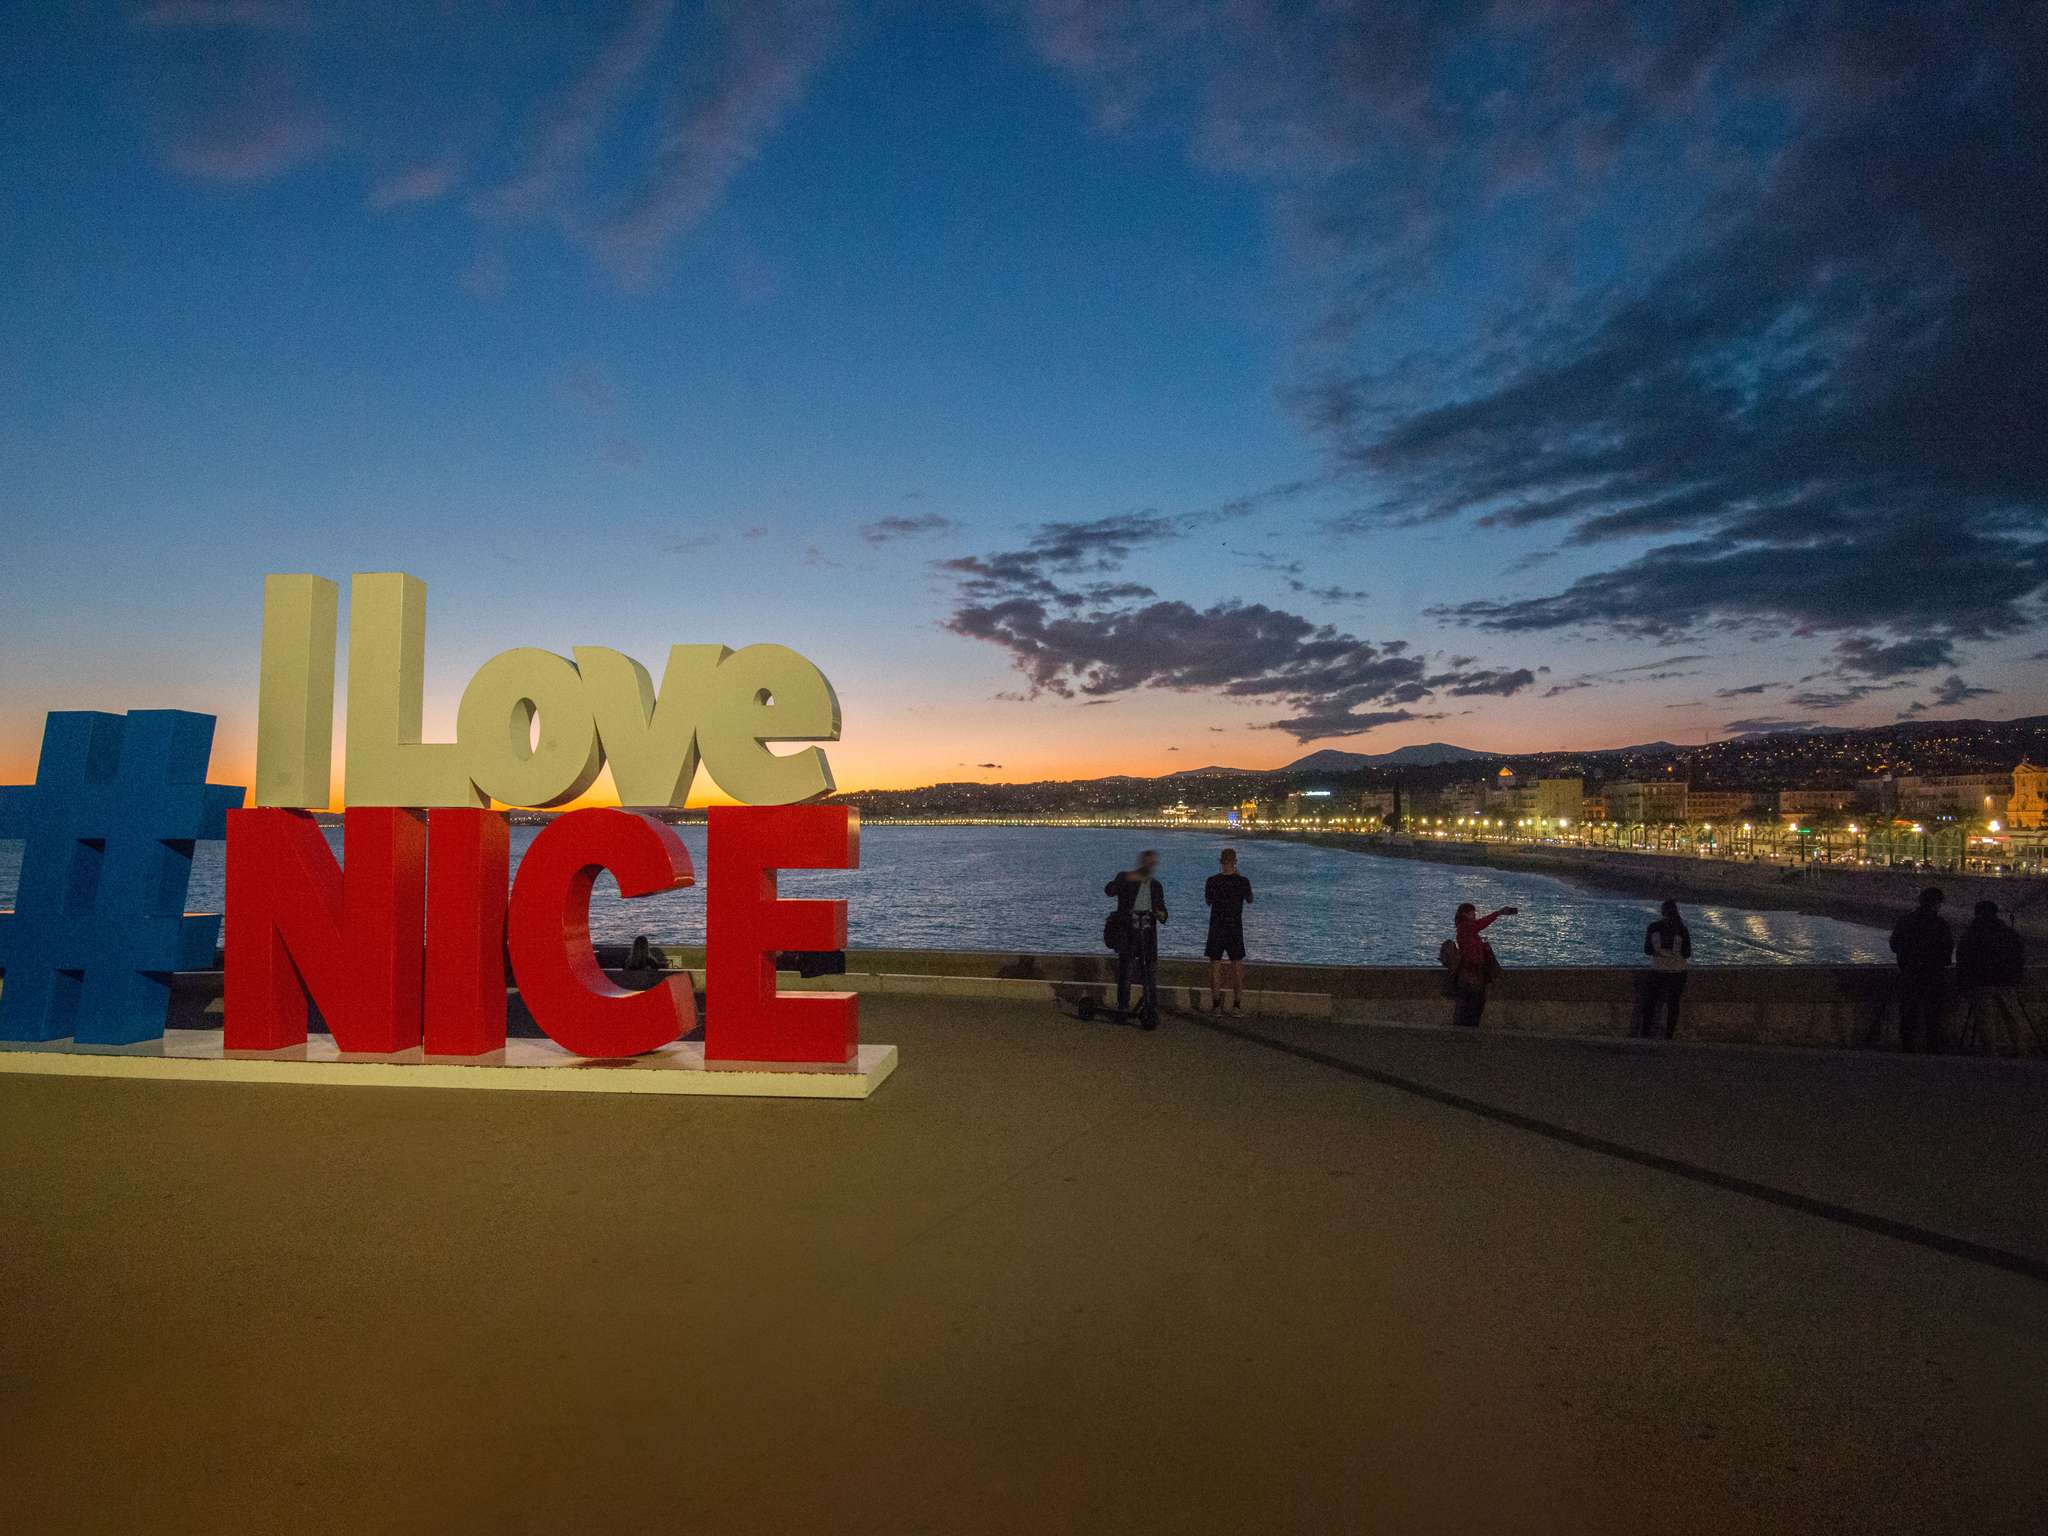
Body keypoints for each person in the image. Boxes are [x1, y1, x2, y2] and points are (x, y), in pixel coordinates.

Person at [1955, 900, 2034, 1056]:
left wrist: (1964, 981)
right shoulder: (2006, 932)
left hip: (1981, 982)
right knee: (2012, 1017)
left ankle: (1991, 1053)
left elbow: (1963, 958)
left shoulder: (1972, 933)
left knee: (1986, 1021)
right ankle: (2022, 1050)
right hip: (2006, 981)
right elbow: (2019, 955)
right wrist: (2016, 976)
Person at [1105, 850, 1168, 1029]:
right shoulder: (1126, 878)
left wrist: (1160, 914)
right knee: (1126, 973)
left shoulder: (1156, 886)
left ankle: (1150, 1008)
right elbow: (1109, 890)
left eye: (1152, 864)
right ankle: (1123, 1008)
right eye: (1148, 863)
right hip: (1128, 935)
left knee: (1150, 973)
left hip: (1148, 936)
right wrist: (1122, 881)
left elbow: (1163, 912)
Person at [1888, 886, 1954, 1053]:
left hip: (1910, 972)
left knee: (1909, 1010)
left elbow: (1894, 944)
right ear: (1937, 904)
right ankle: (1932, 1045)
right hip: (1934, 974)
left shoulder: (1906, 921)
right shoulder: (1940, 924)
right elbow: (1947, 947)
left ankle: (1908, 1045)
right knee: (1933, 1012)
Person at [1448, 902, 1517, 1028]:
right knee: (1472, 1003)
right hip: (1470, 974)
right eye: (1472, 913)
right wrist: (1498, 913)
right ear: (1465, 914)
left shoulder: (1465, 929)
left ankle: (1465, 1031)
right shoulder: (1465, 928)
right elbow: (1480, 924)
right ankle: (1466, 1032)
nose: (1474, 915)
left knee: (1471, 1003)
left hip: (1473, 974)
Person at [1203, 849, 1254, 1012]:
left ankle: (1216, 1004)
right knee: (1237, 966)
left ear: (1221, 862)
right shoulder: (1243, 881)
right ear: (1235, 861)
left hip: (1217, 926)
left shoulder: (1212, 881)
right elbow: (1250, 899)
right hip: (1234, 927)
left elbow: (1208, 901)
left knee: (1215, 966)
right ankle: (1237, 1005)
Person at [1639, 899, 1692, 1039]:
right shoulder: (1682, 928)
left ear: (1662, 912)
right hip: (1678, 972)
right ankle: (1669, 1035)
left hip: (1658, 969)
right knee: (1673, 1004)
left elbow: (1647, 950)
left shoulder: (1653, 927)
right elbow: (1687, 953)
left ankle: (1645, 1033)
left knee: (1651, 1002)